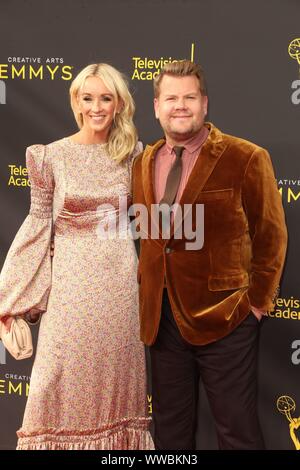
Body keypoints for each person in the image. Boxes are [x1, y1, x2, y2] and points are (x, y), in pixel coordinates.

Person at [132, 60, 288, 450]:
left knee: (236, 431)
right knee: (170, 432)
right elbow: (151, 238)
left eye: (189, 97)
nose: (179, 106)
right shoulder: (142, 162)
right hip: (162, 320)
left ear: (205, 104)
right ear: (156, 106)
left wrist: (256, 304)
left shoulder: (246, 157)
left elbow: (271, 234)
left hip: (227, 318)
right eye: (171, 98)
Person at [0, 63, 154, 450]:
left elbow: (154, 222)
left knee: (116, 394)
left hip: (119, 289)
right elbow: (37, 226)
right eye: (88, 98)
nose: (97, 107)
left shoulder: (134, 155)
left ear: (119, 104)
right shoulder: (51, 157)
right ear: (76, 101)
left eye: (106, 98)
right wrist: (10, 294)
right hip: (70, 292)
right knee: (54, 380)